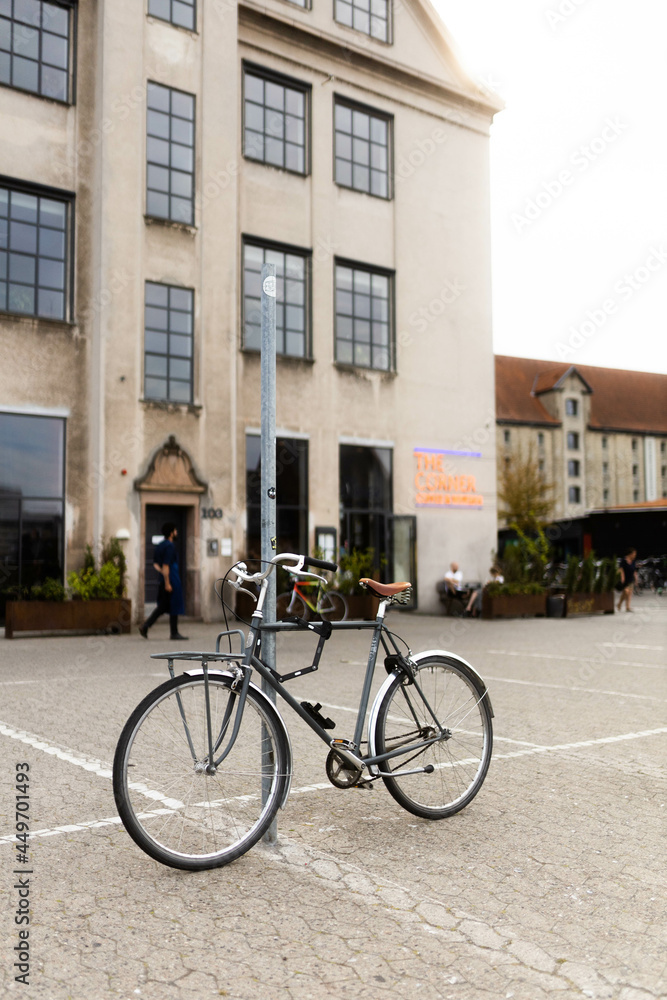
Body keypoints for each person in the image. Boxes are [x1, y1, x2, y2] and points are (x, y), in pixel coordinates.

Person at [139, 522, 188, 640]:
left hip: (164, 578)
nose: (176, 533)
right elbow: (166, 565)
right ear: (171, 533)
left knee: (163, 606)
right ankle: (174, 632)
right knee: (173, 605)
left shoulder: (160, 545)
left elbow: (156, 564)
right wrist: (167, 582)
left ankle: (146, 626)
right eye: (175, 531)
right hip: (171, 579)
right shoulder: (169, 546)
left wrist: (163, 574)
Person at [617, 547, 638, 612]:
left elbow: (634, 570)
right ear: (630, 554)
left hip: (630, 579)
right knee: (626, 592)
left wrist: (636, 579)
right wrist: (622, 577)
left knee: (629, 593)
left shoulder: (633, 561)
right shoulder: (624, 560)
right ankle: (619, 603)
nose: (635, 555)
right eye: (634, 554)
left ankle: (627, 607)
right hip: (624, 579)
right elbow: (621, 569)